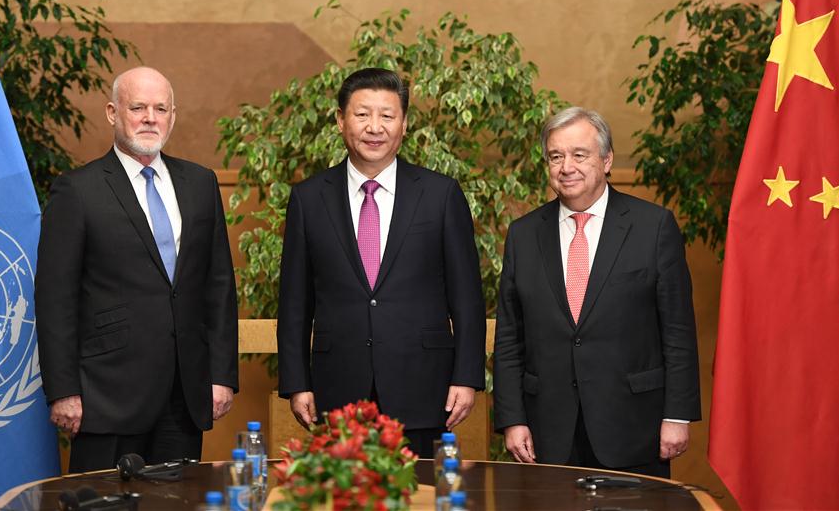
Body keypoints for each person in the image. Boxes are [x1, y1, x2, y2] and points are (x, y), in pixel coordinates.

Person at [35, 66, 238, 472]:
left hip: (184, 395)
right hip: (105, 396)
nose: (150, 117)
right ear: (113, 113)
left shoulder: (200, 184)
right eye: (138, 107)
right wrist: (63, 391)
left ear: (173, 116)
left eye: (160, 108)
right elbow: (55, 298)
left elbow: (218, 287)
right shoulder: (77, 190)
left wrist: (222, 374)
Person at [276, 68, 486, 457]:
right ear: (340, 121)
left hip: (425, 387)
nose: (375, 127)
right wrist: (296, 381)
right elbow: (294, 302)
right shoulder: (308, 199)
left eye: (387, 116)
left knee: (420, 495)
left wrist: (467, 377)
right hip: (338, 387)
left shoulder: (440, 195)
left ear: (404, 124)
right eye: (362, 115)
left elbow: (467, 298)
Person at [493, 107, 700, 477]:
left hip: (635, 426)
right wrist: (512, 419)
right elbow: (510, 337)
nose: (566, 167)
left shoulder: (653, 226)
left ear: (606, 161)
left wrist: (677, 414)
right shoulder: (523, 235)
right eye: (555, 156)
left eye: (579, 154)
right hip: (547, 431)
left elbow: (678, 331)